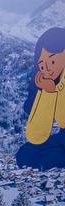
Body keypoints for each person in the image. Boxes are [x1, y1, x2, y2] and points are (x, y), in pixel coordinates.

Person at [15, 28, 65, 170]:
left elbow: (62, 119)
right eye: (42, 64)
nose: (47, 68)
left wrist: (53, 91)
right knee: (25, 155)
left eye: (53, 60)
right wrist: (47, 92)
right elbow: (36, 135)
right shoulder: (43, 79)